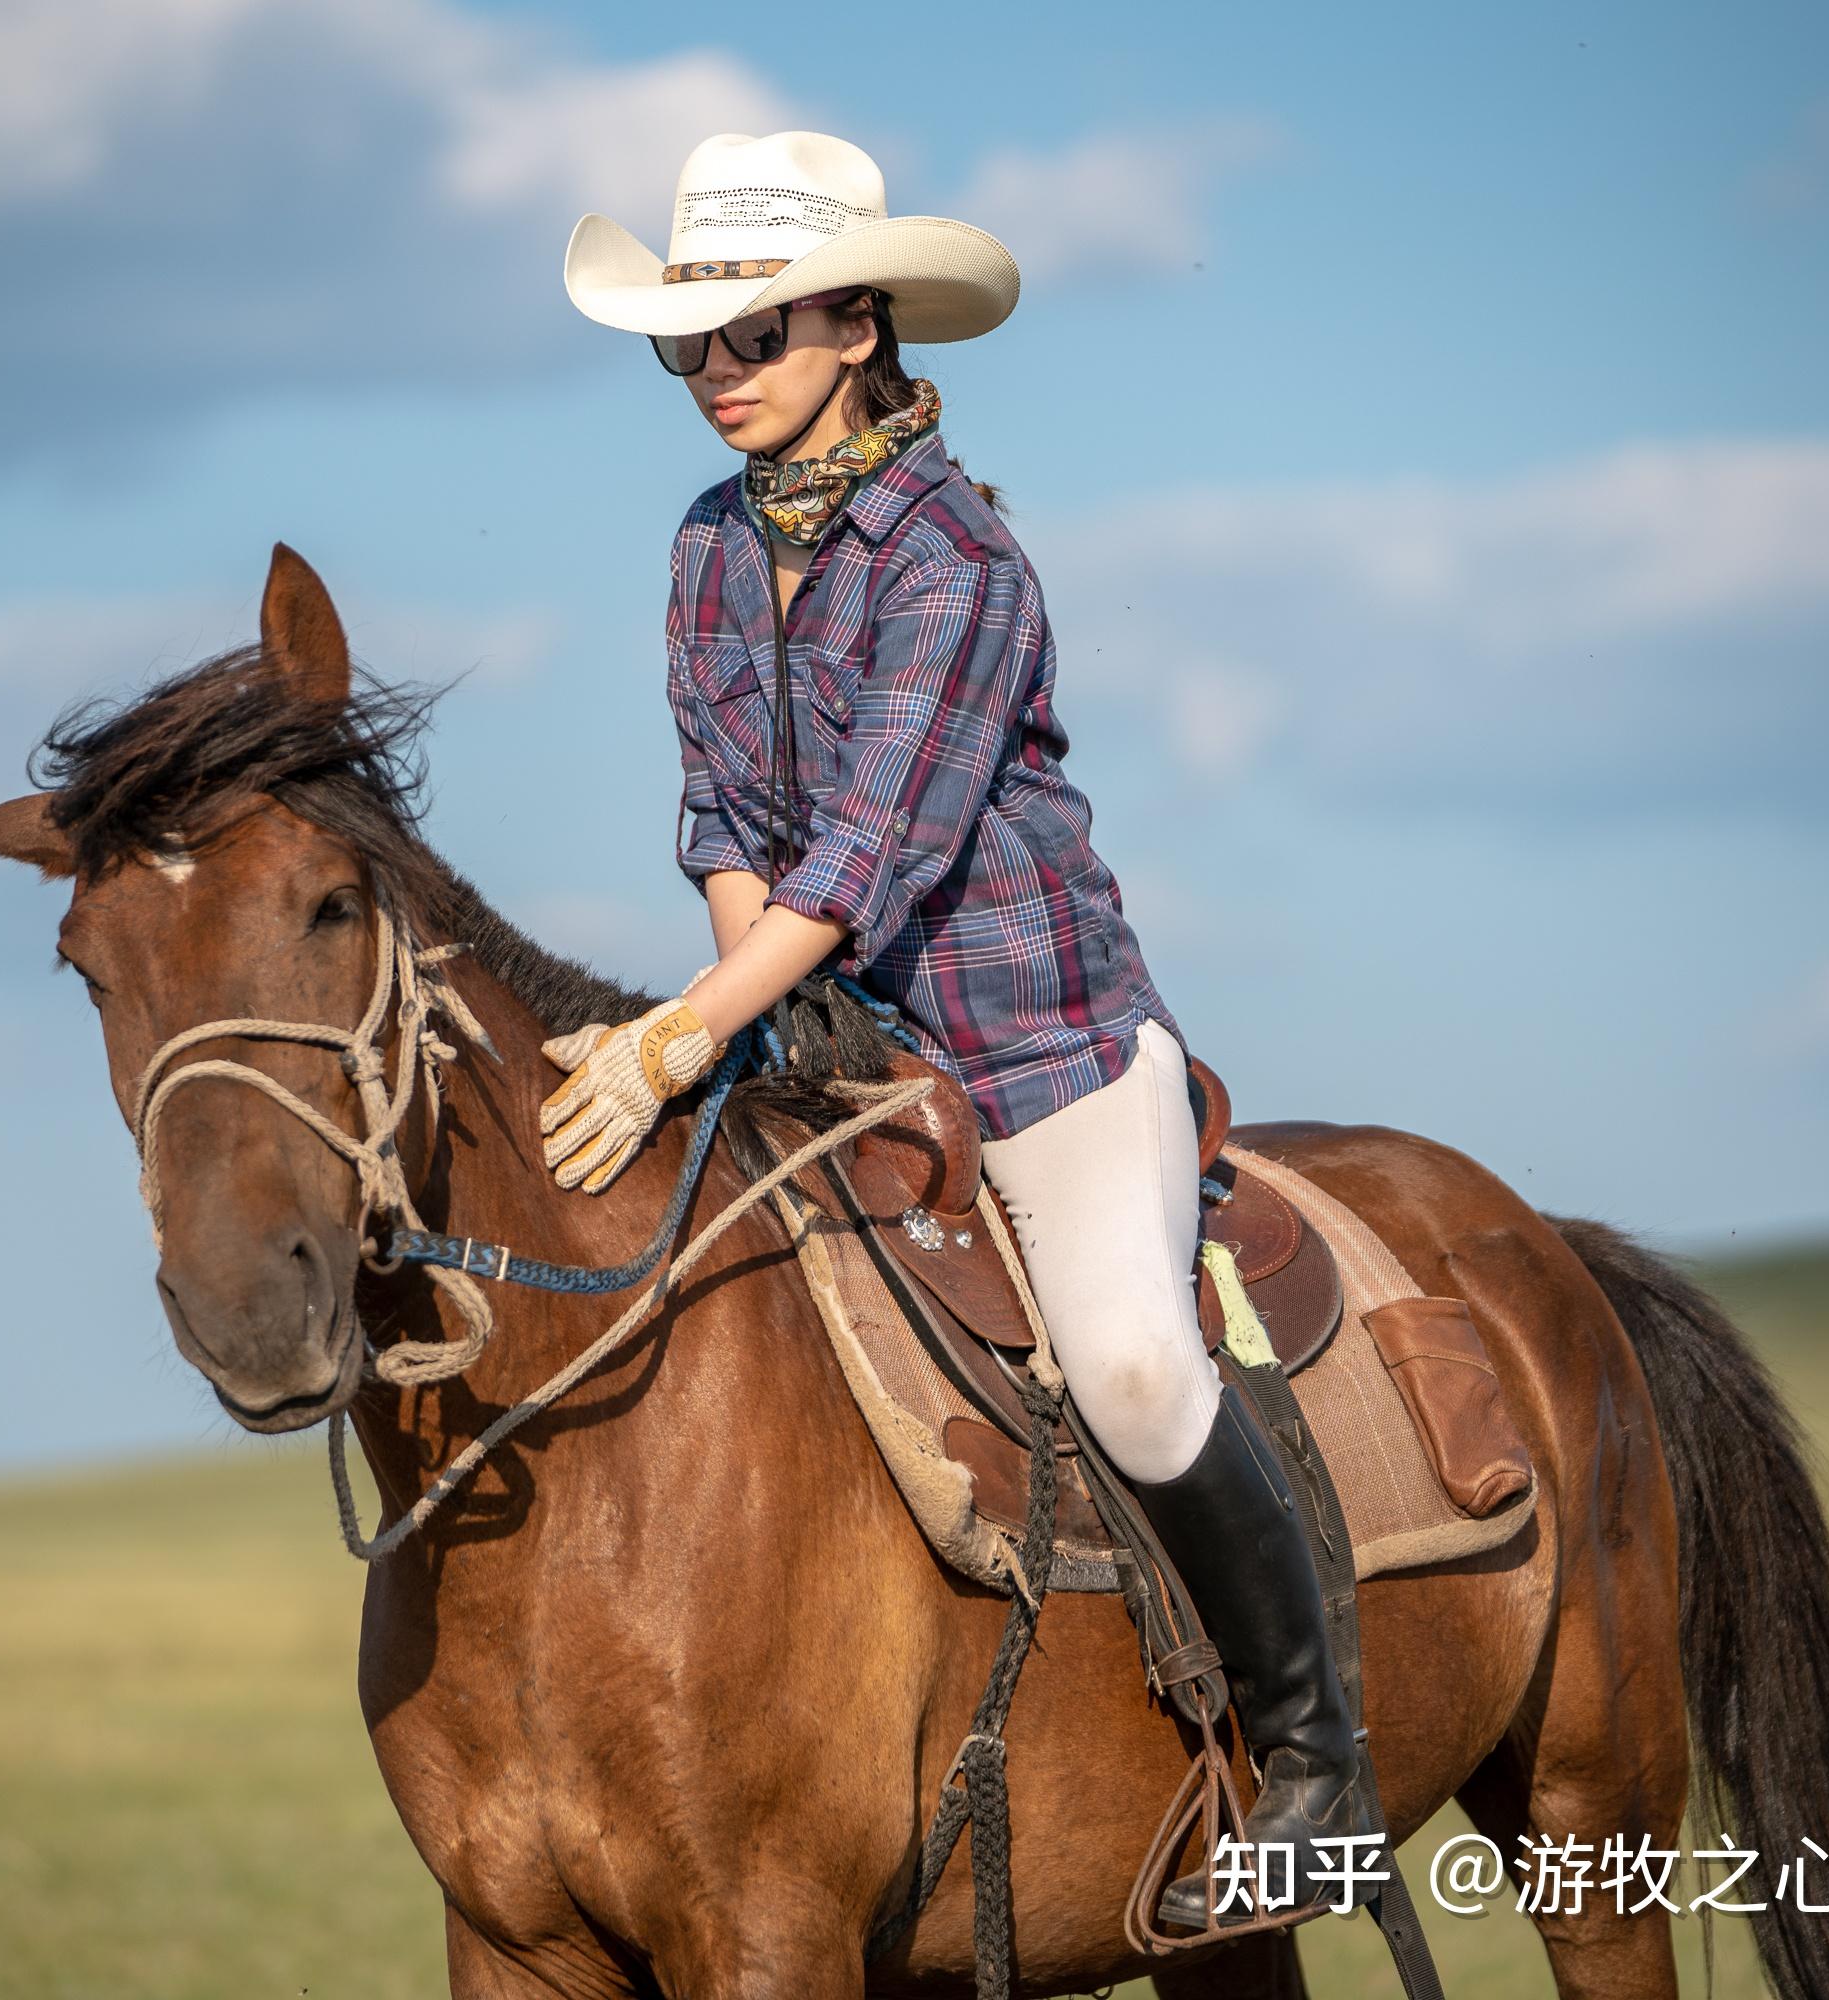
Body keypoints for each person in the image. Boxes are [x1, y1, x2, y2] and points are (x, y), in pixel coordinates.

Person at [538, 130, 1380, 1923]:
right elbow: (730, 829)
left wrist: (679, 1037)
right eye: (687, 347)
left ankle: (1318, 1765)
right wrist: (745, 1027)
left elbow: (868, 849)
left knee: (1139, 1371)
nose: (714, 379)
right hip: (828, 1051)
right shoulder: (703, 549)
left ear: (855, 322)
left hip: (1041, 1049)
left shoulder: (958, 561)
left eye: (749, 337)